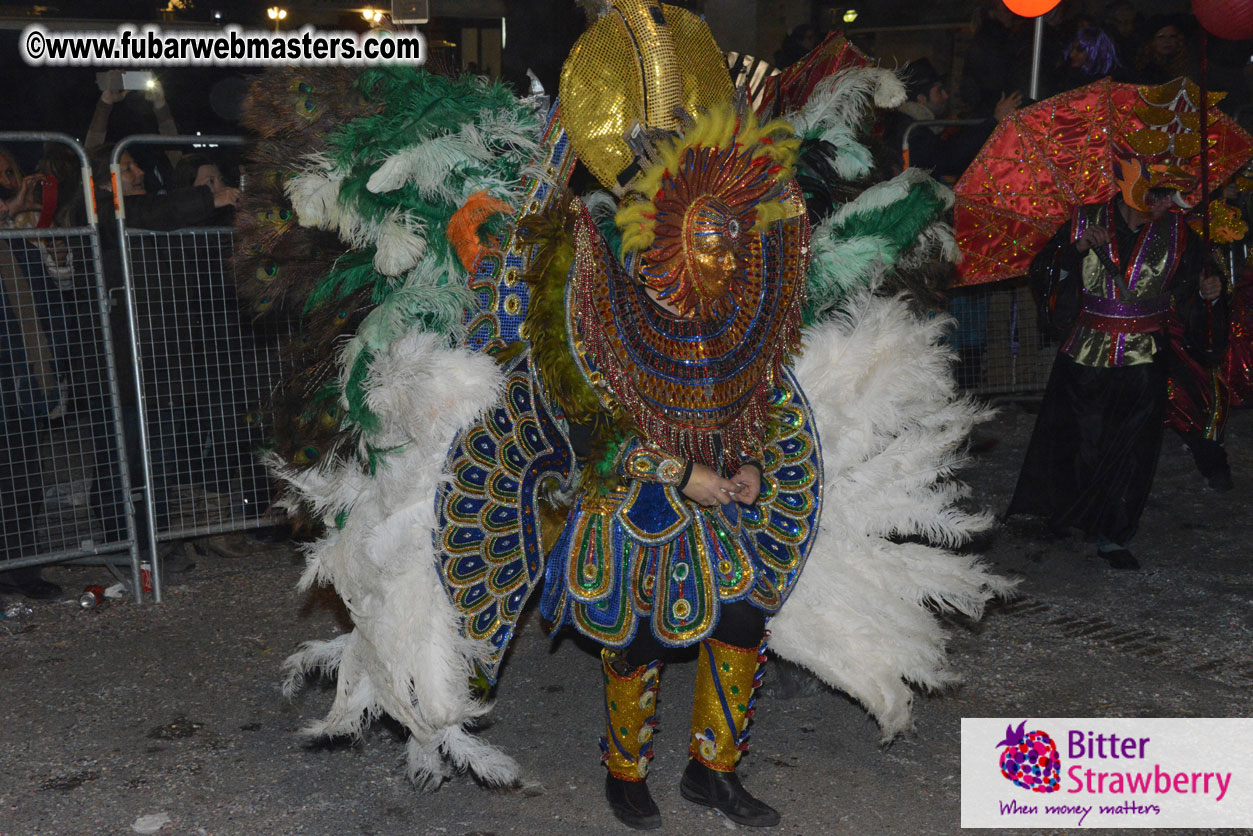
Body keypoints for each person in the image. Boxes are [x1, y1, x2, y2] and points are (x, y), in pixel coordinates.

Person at [1008, 179, 1225, 570]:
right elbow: (1042, 271)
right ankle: (1073, 513)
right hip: (1086, 352)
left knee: (1133, 447)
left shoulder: (1178, 233)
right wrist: (1075, 250)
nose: (1163, 205)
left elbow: (1196, 290)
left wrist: (1212, 292)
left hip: (1144, 357)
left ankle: (1113, 533)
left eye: (1166, 198)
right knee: (1082, 440)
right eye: (1155, 195)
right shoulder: (1084, 220)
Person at [885, 57, 1019, 180]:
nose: (945, 96)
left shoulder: (909, 123)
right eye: (939, 91)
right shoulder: (911, 130)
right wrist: (993, 122)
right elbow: (947, 158)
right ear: (921, 98)